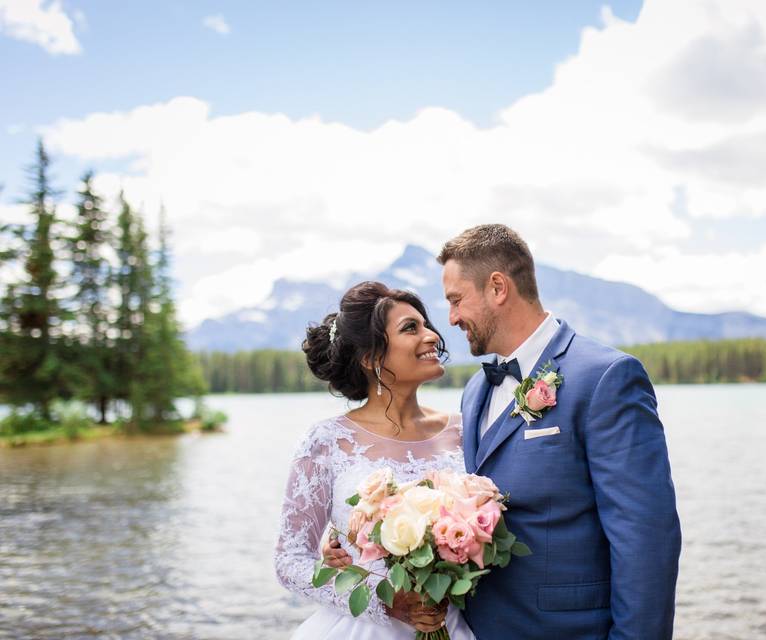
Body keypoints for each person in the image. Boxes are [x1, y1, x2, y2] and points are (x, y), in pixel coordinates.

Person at [438, 224, 682, 639]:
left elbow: (646, 539)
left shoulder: (606, 378)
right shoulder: (476, 390)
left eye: (457, 300)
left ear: (498, 287)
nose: (452, 317)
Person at [274, 281, 476, 640]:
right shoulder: (327, 441)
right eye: (410, 328)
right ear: (370, 358)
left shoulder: (465, 430)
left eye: (426, 324)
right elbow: (290, 561)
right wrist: (383, 603)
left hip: (454, 623)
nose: (431, 335)